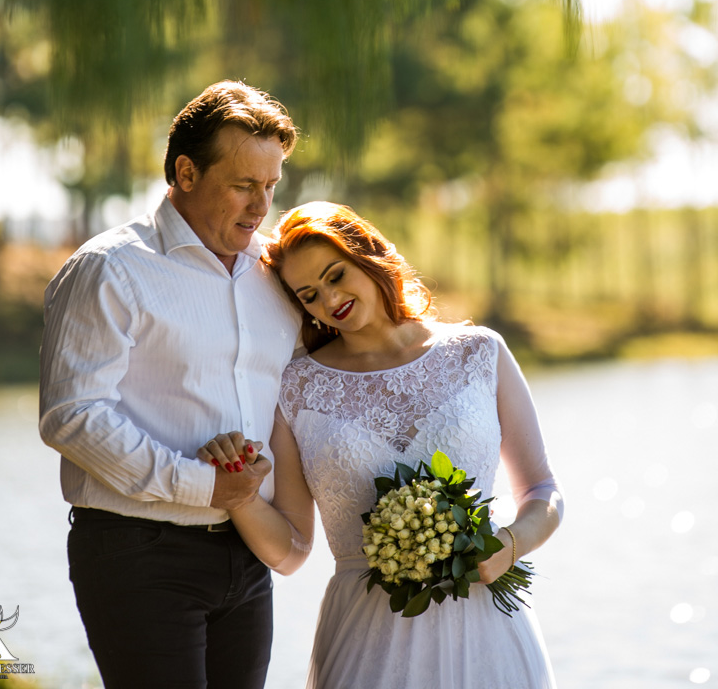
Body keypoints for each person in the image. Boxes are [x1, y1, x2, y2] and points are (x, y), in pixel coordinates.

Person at [200, 201, 564, 689]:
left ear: (369, 255)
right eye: (309, 294)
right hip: (369, 638)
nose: (329, 300)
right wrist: (239, 495)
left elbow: (543, 489)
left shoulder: (480, 352)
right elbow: (292, 550)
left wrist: (510, 544)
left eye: (336, 275)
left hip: (487, 630)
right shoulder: (296, 388)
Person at [38, 81, 303, 689]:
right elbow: (73, 415)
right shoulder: (111, 268)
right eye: (242, 185)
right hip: (139, 554)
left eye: (271, 186)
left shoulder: (276, 275)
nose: (261, 206)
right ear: (186, 171)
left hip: (246, 553)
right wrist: (207, 486)